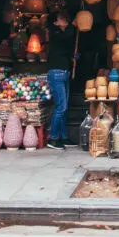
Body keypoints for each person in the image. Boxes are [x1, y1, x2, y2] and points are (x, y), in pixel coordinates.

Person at [45, 10, 76, 149]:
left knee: (64, 107)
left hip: (64, 73)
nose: (65, 19)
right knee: (60, 107)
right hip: (57, 74)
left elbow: (66, 49)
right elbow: (67, 35)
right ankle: (53, 138)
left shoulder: (62, 35)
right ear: (55, 23)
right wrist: (73, 25)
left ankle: (63, 137)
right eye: (61, 18)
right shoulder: (55, 33)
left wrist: (73, 57)